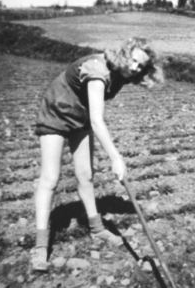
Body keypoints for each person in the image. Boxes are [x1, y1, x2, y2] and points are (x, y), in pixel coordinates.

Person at [31, 37, 164, 271]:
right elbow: (97, 120)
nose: (135, 68)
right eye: (133, 61)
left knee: (86, 175)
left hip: (79, 116)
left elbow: (91, 113)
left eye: (141, 66)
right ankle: (40, 246)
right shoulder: (97, 70)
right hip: (56, 112)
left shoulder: (122, 74)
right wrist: (116, 157)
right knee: (50, 178)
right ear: (123, 53)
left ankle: (97, 229)